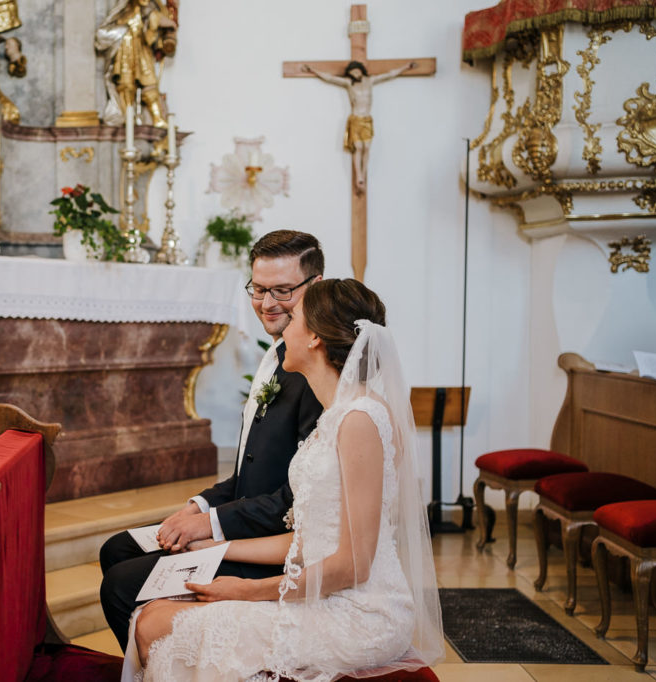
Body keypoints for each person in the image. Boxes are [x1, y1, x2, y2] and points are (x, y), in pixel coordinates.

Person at [124, 278, 444, 681]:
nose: (282, 327)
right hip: (323, 593)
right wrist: (216, 547)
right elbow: (308, 540)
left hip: (360, 612)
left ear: (314, 338)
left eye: (293, 318)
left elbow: (355, 566)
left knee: (155, 624)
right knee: (152, 613)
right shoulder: (336, 415)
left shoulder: (360, 419)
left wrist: (245, 591)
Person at [98, 230, 325, 650]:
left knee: (120, 584)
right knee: (117, 549)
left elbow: (298, 498)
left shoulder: (316, 374)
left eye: (283, 290)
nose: (268, 303)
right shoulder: (275, 355)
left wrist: (210, 525)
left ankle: (170, 658)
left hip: (274, 544)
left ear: (315, 286)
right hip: (243, 519)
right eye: (258, 289)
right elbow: (250, 468)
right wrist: (198, 505)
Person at [302, 60, 416, 195]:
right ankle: (359, 177)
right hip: (356, 118)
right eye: (352, 72)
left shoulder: (370, 81)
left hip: (367, 119)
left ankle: (363, 173)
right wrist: (313, 70)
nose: (356, 74)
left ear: (361, 70)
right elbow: (330, 78)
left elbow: (389, 75)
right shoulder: (348, 83)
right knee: (358, 148)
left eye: (357, 70)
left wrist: (406, 67)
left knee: (367, 147)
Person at [94, 0, 177, 127]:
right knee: (126, 85)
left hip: (142, 52)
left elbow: (152, 27)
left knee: (149, 84)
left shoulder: (149, 11)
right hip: (125, 52)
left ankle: (158, 119)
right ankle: (128, 118)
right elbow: (105, 32)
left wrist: (164, 24)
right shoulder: (123, 12)